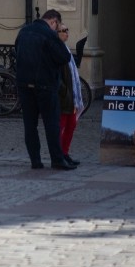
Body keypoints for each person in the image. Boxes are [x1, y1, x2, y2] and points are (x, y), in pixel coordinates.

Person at [14, 9, 76, 170]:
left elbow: (17, 51)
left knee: (30, 125)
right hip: (45, 85)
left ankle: (35, 161)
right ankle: (57, 159)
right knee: (51, 124)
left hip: (24, 85)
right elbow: (64, 57)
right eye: (57, 26)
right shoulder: (49, 35)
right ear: (53, 22)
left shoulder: (24, 31)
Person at [57, 25, 83, 166]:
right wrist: (64, 91)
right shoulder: (56, 50)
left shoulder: (65, 49)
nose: (67, 33)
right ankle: (59, 154)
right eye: (64, 30)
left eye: (68, 30)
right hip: (63, 96)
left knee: (71, 125)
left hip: (71, 96)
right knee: (62, 126)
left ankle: (65, 153)